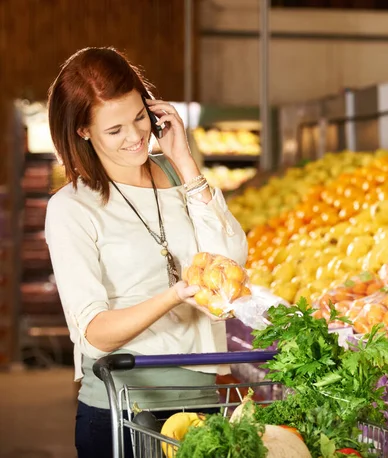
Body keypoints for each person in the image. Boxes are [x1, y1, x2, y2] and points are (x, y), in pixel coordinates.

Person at [44, 47, 248, 458]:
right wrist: (174, 296)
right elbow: (94, 334)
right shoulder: (71, 208)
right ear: (83, 131)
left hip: (204, 407)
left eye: (139, 117)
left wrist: (185, 162)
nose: (135, 136)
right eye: (114, 130)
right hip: (121, 410)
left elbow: (231, 262)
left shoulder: (181, 178)